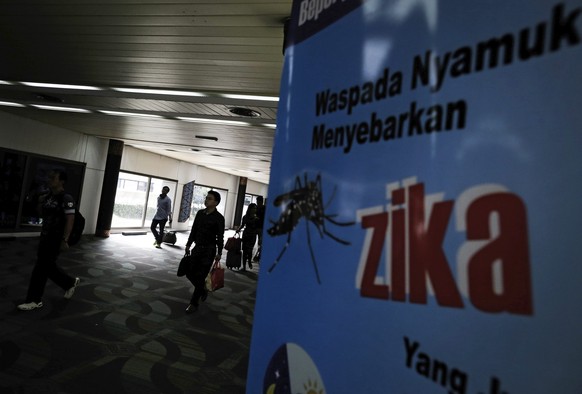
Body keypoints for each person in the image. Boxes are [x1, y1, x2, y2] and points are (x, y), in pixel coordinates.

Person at [17, 169, 80, 311]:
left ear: (61, 181)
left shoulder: (66, 198)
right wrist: (39, 203)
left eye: (53, 178)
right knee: (46, 266)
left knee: (40, 268)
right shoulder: (47, 197)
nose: (49, 179)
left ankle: (34, 300)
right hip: (45, 236)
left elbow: (70, 220)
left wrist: (65, 239)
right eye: (49, 177)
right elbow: (43, 215)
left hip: (56, 239)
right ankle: (69, 282)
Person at [184, 191, 225, 313]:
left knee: (201, 275)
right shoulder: (200, 213)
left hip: (209, 250)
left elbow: (220, 236)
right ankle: (202, 289)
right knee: (189, 272)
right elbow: (194, 229)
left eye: (210, 199)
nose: (206, 200)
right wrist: (188, 244)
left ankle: (193, 303)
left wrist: (219, 252)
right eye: (206, 198)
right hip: (197, 248)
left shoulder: (219, 218)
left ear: (216, 202)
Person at [236, 203, 260, 270]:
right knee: (244, 251)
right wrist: (238, 229)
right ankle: (244, 266)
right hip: (246, 235)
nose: (254, 209)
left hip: (252, 235)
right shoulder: (245, 217)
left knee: (250, 250)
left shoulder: (257, 218)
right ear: (249, 209)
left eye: (255, 208)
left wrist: (260, 236)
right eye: (253, 208)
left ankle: (249, 261)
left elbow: (258, 229)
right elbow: (242, 225)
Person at [253, 196, 266, 262]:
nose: (258, 202)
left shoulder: (264, 208)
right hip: (256, 227)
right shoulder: (256, 208)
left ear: (261, 201)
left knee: (260, 242)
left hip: (261, 227)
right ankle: (256, 255)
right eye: (257, 201)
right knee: (253, 241)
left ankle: (259, 255)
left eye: (258, 201)